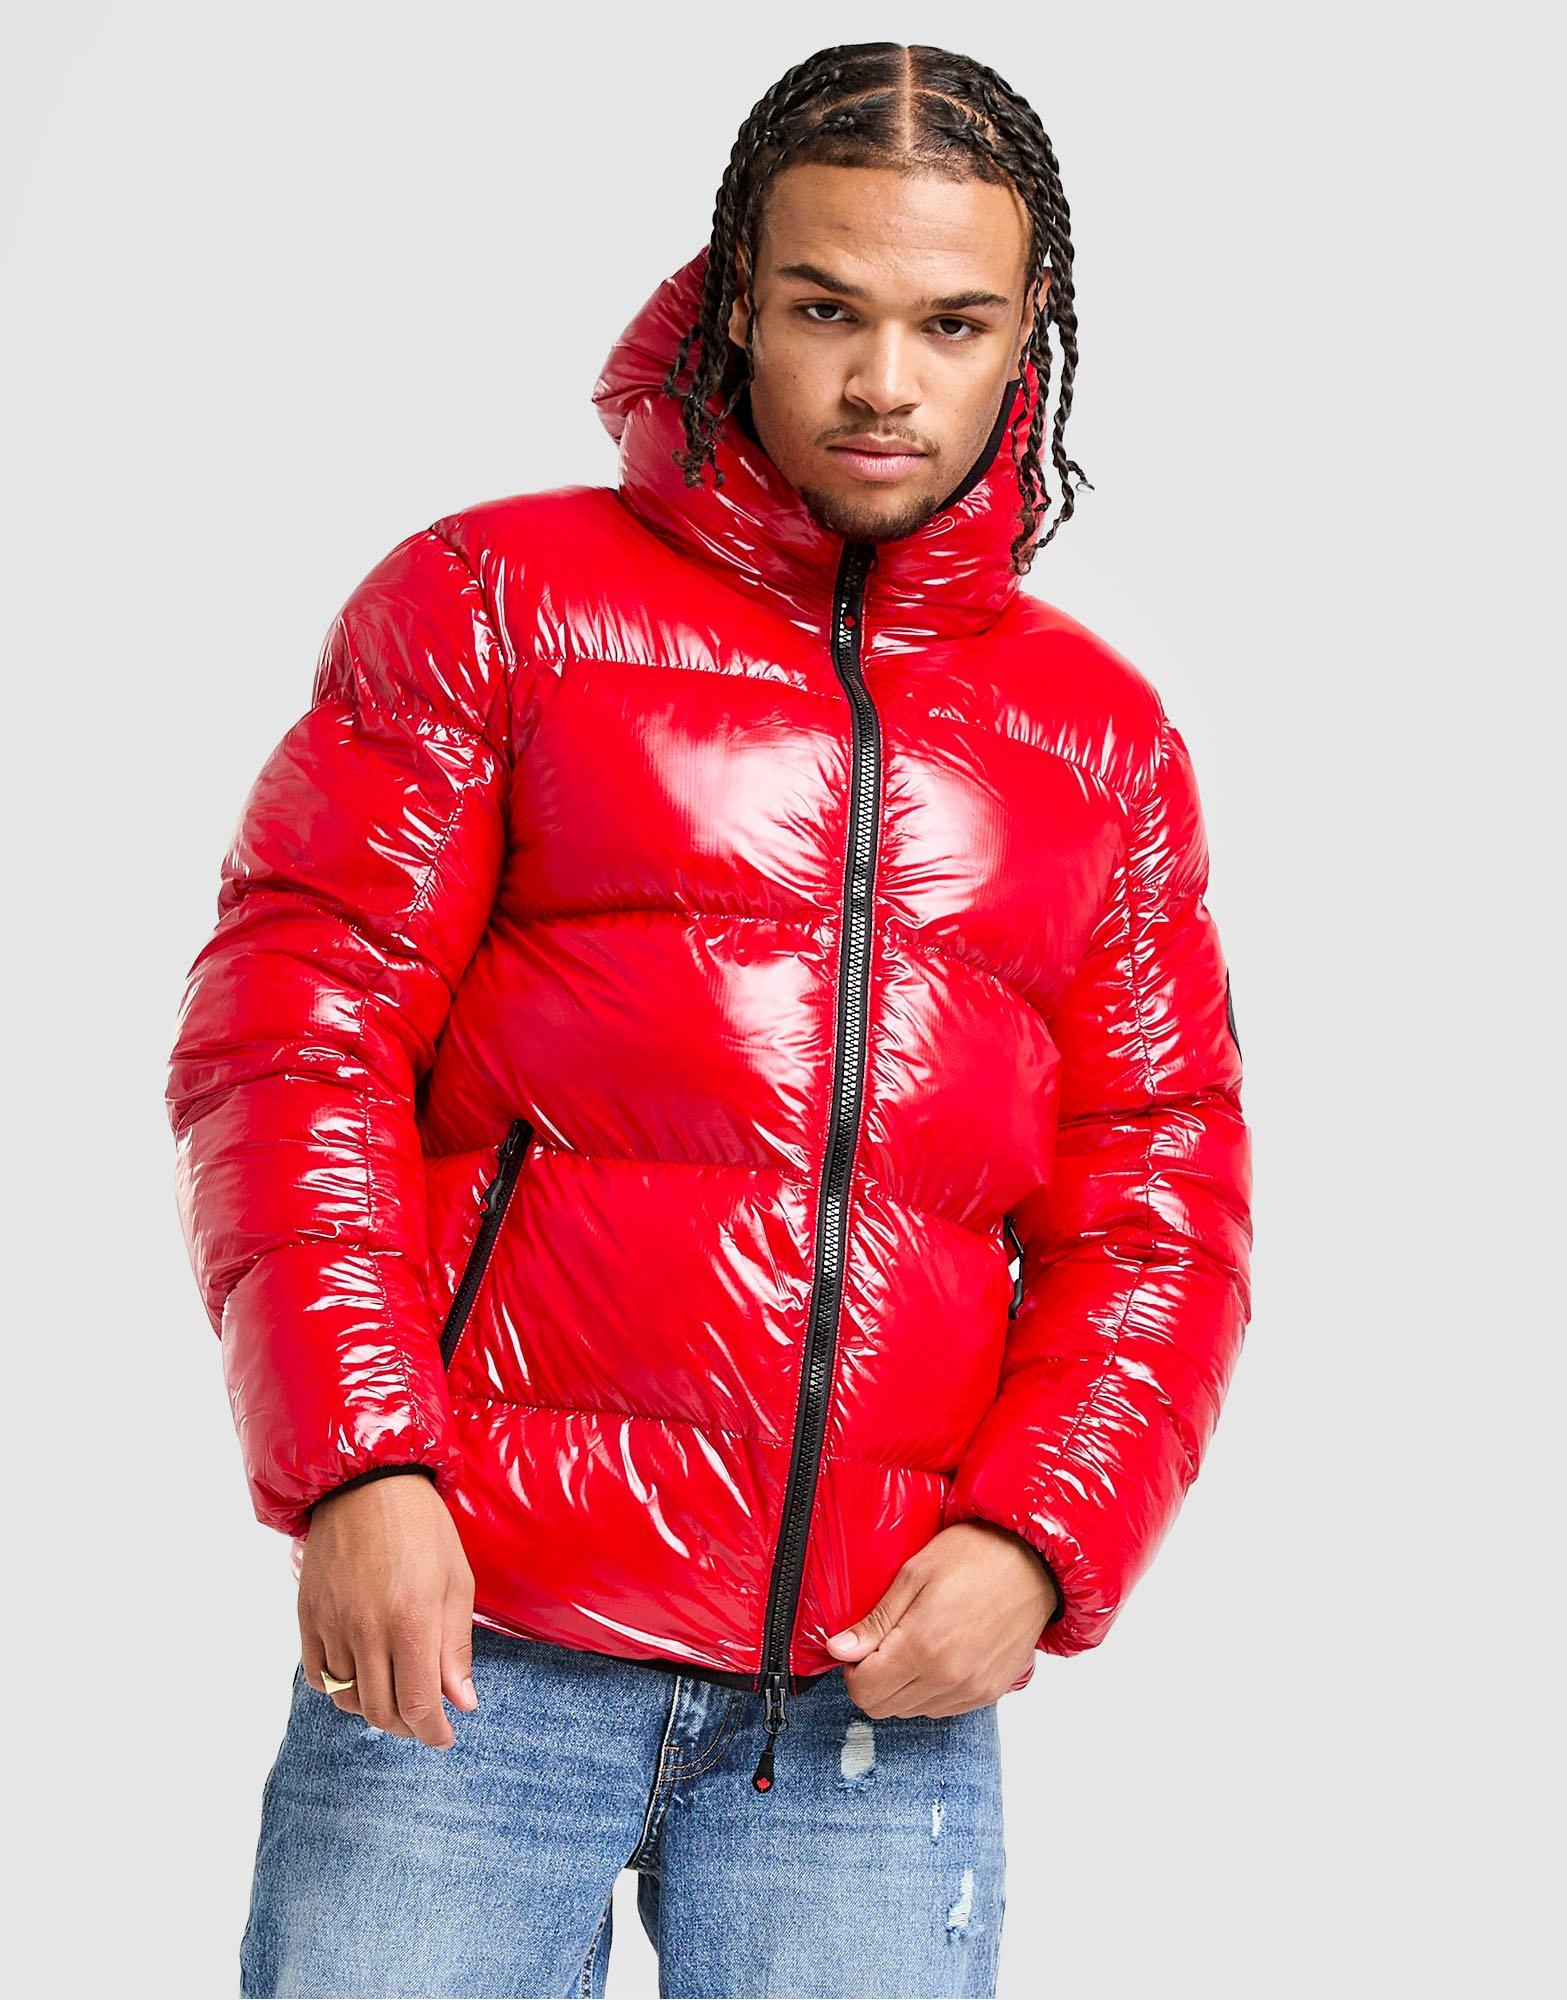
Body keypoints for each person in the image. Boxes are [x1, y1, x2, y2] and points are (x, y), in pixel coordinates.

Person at [166, 38, 1253, 2000]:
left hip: (866, 1692)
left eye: (949, 324)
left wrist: (1039, 1537)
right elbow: (291, 1046)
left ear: (1026, 338)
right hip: (473, 1635)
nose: (883, 381)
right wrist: (358, 1462)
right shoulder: (492, 604)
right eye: (828, 308)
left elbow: (1160, 1201)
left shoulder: (1097, 741)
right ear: (737, 295)